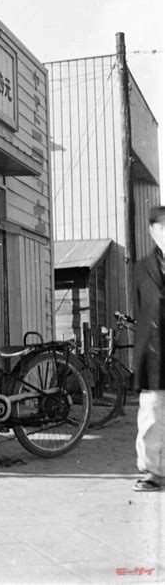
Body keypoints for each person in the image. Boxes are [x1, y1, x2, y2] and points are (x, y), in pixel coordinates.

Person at [132, 204, 165, 492]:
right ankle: (153, 473)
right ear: (152, 231)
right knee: (152, 414)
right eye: (161, 227)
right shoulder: (142, 268)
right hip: (154, 352)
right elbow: (141, 313)